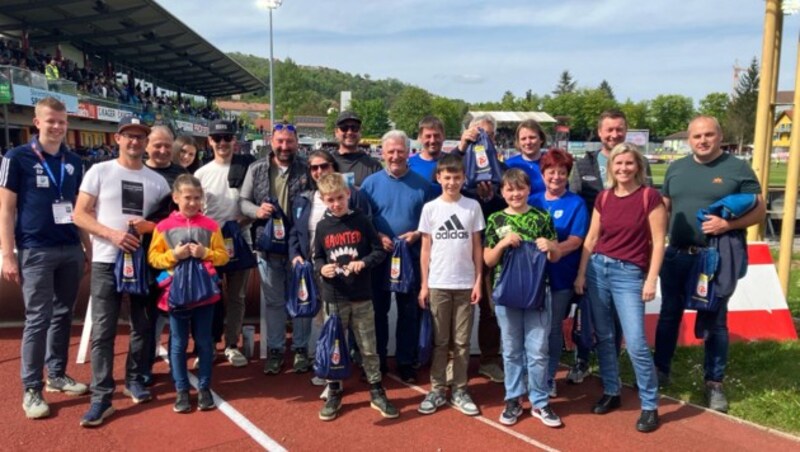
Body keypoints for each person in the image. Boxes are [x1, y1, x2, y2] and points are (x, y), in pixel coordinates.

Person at [654, 116, 765, 413]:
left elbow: (759, 211)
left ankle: (714, 383)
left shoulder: (737, 168)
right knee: (669, 315)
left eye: (708, 135)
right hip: (677, 254)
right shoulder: (676, 168)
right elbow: (665, 207)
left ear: (719, 136)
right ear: (688, 139)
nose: (702, 140)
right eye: (696, 136)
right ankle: (660, 370)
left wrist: (728, 224)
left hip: (713, 258)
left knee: (716, 322)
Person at [73, 116, 171, 427]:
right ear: (118, 138)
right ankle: (102, 396)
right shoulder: (99, 171)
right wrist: (112, 235)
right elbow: (79, 214)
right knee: (103, 331)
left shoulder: (158, 182)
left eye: (140, 137)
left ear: (146, 142)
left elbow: (166, 225)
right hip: (106, 261)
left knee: (143, 326)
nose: (135, 142)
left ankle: (134, 379)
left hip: (143, 264)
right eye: (129, 136)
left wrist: (150, 227)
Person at [0, 97, 90, 419]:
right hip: (35, 250)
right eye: (50, 121)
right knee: (38, 317)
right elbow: (6, 210)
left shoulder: (74, 161)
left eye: (62, 121)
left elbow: (79, 210)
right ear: (37, 123)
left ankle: (56, 375)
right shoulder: (17, 157)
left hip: (69, 248)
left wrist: (87, 250)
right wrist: (7, 256)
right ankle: (31, 388)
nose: (57, 127)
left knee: (64, 314)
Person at [574, 143, 666, 433]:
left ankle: (650, 404)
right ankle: (612, 390)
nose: (623, 169)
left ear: (638, 166)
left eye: (629, 163)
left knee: (636, 342)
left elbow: (658, 241)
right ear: (610, 167)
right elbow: (591, 238)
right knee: (604, 336)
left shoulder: (649, 197)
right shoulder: (603, 197)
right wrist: (581, 274)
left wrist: (651, 279)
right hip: (598, 269)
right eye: (618, 164)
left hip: (629, 275)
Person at [566, 109, 650, 384]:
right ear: (600, 132)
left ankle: (609, 365)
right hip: (592, 252)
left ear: (626, 131)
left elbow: (647, 205)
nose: (614, 134)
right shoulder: (583, 165)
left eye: (619, 129)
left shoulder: (639, 163)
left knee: (614, 317)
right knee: (586, 310)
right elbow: (574, 202)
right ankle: (581, 359)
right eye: (609, 130)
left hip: (627, 254)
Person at [313, 173, 397, 421]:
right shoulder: (322, 226)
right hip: (334, 296)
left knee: (369, 347)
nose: (336, 204)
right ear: (323, 199)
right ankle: (335, 392)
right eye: (331, 200)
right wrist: (321, 269)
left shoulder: (361, 220)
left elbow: (378, 250)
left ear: (348, 194)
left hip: (361, 296)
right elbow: (317, 256)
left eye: (340, 198)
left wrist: (363, 263)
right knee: (334, 346)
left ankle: (376, 390)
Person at [484, 168, 562, 428]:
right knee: (511, 350)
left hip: (538, 291)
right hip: (507, 293)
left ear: (529, 190)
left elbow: (556, 256)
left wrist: (551, 247)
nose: (515, 194)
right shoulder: (495, 219)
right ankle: (514, 399)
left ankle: (540, 401)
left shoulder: (542, 217)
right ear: (502, 192)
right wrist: (502, 244)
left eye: (520, 189)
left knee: (538, 350)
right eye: (510, 189)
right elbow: (487, 260)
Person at [287, 150, 372, 386]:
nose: (319, 171)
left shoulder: (351, 196)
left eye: (323, 166)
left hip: (345, 270)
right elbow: (296, 231)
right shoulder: (304, 199)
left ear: (333, 167)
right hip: (315, 268)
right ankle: (328, 368)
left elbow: (366, 229)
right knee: (323, 322)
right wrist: (295, 255)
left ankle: (347, 368)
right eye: (313, 168)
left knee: (343, 322)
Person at [148, 174, 229, 413]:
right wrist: (174, 255)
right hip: (175, 295)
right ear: (175, 198)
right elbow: (153, 258)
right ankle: (181, 389)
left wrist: (206, 252)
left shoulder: (211, 226)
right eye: (187, 198)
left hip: (205, 295)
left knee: (204, 342)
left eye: (197, 198)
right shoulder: (163, 227)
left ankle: (204, 387)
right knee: (178, 343)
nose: (192, 203)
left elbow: (223, 255)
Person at [361, 130, 434, 383]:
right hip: (380, 259)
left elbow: (433, 220)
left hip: (411, 258)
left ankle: (406, 362)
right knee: (377, 312)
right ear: (382, 153)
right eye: (390, 151)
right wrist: (378, 235)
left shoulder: (424, 186)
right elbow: (364, 220)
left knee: (409, 312)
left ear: (408, 152)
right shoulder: (370, 184)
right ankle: (377, 362)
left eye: (400, 151)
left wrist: (417, 233)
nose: (395, 156)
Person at [240, 122, 312, 374]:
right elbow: (243, 201)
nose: (284, 146)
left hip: (300, 249)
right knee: (274, 303)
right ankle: (276, 350)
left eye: (289, 142)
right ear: (271, 141)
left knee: (301, 300)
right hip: (267, 246)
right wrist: (256, 211)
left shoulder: (307, 168)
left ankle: (301, 350)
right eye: (280, 141)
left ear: (296, 143)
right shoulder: (257, 168)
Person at [416, 154, 484, 417]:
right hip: (438, 284)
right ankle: (437, 389)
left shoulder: (472, 207)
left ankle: (460, 389)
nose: (452, 182)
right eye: (447, 177)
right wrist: (424, 284)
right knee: (441, 341)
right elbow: (425, 249)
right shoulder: (430, 209)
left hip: (465, 284)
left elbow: (477, 247)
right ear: (439, 178)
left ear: (464, 178)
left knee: (462, 342)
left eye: (457, 177)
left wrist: (478, 280)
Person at [528, 149, 588, 398]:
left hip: (561, 276)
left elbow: (576, 240)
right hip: (531, 279)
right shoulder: (532, 200)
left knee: (552, 328)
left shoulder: (576, 203)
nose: (556, 177)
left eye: (561, 172)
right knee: (532, 329)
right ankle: (531, 376)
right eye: (551, 172)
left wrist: (553, 250)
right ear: (542, 174)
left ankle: (549, 376)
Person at [195, 120, 254, 368]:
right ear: (209, 141)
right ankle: (208, 345)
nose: (222, 143)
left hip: (242, 239)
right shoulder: (201, 173)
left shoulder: (248, 167)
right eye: (217, 138)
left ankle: (231, 344)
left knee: (237, 297)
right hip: (211, 243)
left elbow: (255, 200)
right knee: (210, 297)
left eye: (226, 138)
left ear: (234, 141)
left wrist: (245, 219)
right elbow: (196, 210)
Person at [456, 114, 506, 384]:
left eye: (487, 134)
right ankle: (454, 361)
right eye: (476, 134)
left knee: (488, 307)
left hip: (488, 250)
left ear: (494, 138)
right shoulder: (458, 163)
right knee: (456, 309)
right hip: (458, 249)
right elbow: (437, 182)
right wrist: (462, 146)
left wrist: (492, 197)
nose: (481, 139)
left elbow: (508, 207)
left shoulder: (502, 168)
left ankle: (489, 359)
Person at [330, 111, 382, 188]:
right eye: (344, 128)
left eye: (354, 128)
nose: (349, 132)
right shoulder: (326, 163)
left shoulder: (374, 166)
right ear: (336, 132)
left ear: (360, 131)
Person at [504, 119, 548, 198]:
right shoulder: (509, 165)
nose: (528, 142)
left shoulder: (551, 163)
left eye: (532, 137)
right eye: (523, 139)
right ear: (518, 142)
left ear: (541, 139)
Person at [408, 116, 446, 189]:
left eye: (436, 136)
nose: (432, 141)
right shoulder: (409, 165)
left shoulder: (452, 162)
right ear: (420, 138)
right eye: (428, 136)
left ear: (443, 136)